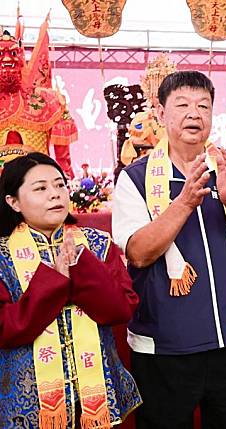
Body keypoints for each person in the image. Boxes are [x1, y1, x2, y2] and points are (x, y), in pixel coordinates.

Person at [112, 70, 226, 429]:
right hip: (165, 346)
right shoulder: (135, 178)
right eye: (183, 105)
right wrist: (184, 202)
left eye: (203, 106)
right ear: (160, 113)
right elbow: (138, 252)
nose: (194, 114)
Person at [0, 152, 141, 428]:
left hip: (95, 397)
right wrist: (52, 281)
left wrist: (80, 265)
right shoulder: (2, 255)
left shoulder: (97, 243)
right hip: (27, 403)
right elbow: (5, 328)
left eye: (60, 185)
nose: (55, 195)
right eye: (40, 188)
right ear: (13, 201)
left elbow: (121, 309)